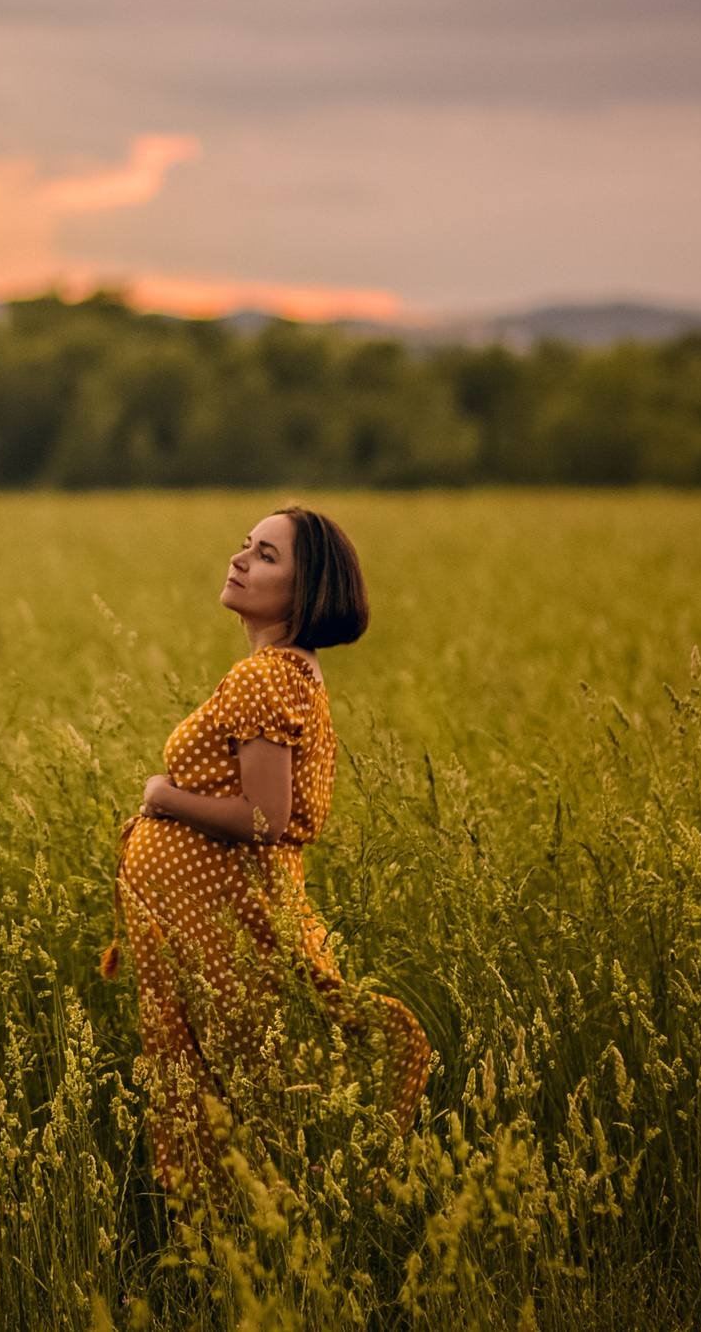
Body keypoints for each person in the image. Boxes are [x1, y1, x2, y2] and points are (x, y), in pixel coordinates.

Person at [102, 504, 430, 1198]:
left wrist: (162, 797)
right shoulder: (288, 673)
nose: (240, 559)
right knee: (241, 1090)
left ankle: (246, 1228)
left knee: (229, 1095)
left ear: (306, 591)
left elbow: (263, 818)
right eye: (246, 545)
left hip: (228, 921)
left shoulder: (266, 678)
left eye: (266, 555)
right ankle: (267, 1221)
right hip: (225, 917)